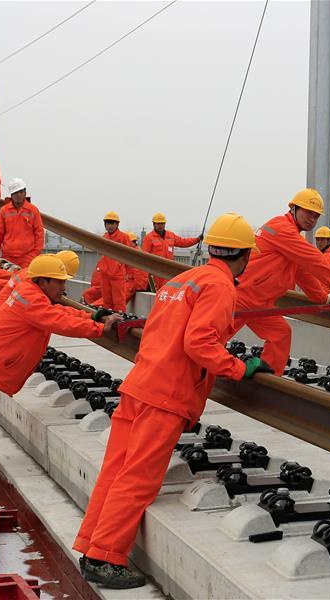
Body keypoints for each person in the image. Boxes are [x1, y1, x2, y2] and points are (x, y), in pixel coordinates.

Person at [73, 213, 270, 589]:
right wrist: (238, 368)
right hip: (165, 395)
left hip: (140, 385)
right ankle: (105, 558)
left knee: (115, 472)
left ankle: (92, 547)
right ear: (245, 255)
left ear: (213, 248)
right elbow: (199, 342)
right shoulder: (220, 286)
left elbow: (166, 330)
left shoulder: (182, 280)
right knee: (138, 479)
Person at [0, 255, 122, 494]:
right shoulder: (31, 298)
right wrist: (99, 327)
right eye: (59, 281)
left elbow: (60, 312)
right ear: (43, 281)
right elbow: (59, 321)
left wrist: (92, 316)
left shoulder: (33, 294)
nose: (64, 287)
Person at [232, 189, 330, 373]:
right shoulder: (281, 228)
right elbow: (312, 259)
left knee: (280, 333)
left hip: (258, 302)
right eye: (308, 212)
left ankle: (269, 378)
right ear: (294, 208)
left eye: (316, 216)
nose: (312, 219)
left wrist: (322, 297)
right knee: (210, 341)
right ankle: (192, 376)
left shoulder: (290, 236)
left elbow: (301, 271)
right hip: (242, 296)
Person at [0, 250, 81, 328]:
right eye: (60, 280)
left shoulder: (32, 273)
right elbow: (49, 315)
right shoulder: (32, 283)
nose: (63, 286)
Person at [0, 178, 45, 268]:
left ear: (25, 193)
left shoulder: (33, 210)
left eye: (20, 192)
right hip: (8, 257)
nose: (18, 195)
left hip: (28, 257)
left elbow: (39, 233)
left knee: (25, 277)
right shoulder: (4, 211)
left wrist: (35, 254)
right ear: (11, 195)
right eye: (15, 193)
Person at [140, 213, 201, 291]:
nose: (160, 226)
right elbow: (144, 255)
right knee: (157, 291)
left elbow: (183, 242)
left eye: (162, 223)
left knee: (168, 289)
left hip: (168, 268)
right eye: (158, 224)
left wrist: (197, 239)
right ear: (154, 224)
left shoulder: (170, 235)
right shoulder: (149, 237)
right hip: (155, 270)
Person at [97, 212, 132, 313]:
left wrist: (128, 273)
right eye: (108, 223)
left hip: (117, 274)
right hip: (105, 274)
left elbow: (130, 256)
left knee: (119, 300)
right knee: (106, 300)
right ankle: (108, 318)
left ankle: (120, 318)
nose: (110, 226)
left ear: (117, 224)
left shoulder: (124, 237)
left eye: (112, 223)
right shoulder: (104, 237)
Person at [124, 232, 149, 302]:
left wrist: (138, 288)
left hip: (132, 285)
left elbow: (139, 275)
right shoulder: (132, 253)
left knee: (116, 298)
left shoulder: (136, 255)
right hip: (130, 283)